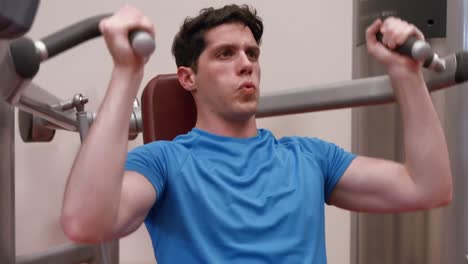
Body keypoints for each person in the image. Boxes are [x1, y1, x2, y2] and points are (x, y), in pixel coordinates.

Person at [60, 4, 453, 264]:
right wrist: (126, 73)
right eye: (225, 54)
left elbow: (429, 187)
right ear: (188, 77)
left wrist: (406, 75)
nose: (246, 64)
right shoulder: (165, 162)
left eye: (252, 53)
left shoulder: (309, 158)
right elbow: (86, 223)